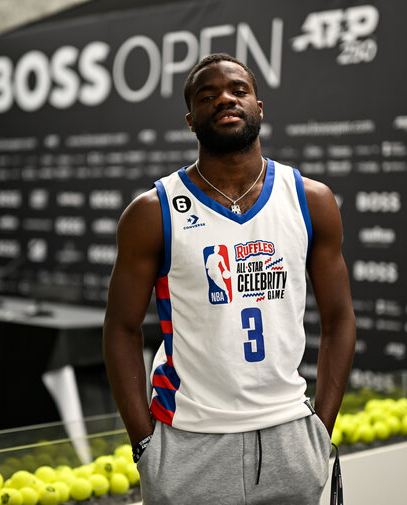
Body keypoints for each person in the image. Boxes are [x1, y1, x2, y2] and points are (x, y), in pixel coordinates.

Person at [103, 53, 356, 504]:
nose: (224, 99)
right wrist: (145, 445)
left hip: (289, 436)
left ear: (259, 107)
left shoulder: (310, 200)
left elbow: (340, 319)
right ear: (190, 120)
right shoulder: (152, 211)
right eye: (207, 96)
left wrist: (321, 428)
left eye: (238, 90)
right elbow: (121, 329)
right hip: (187, 442)